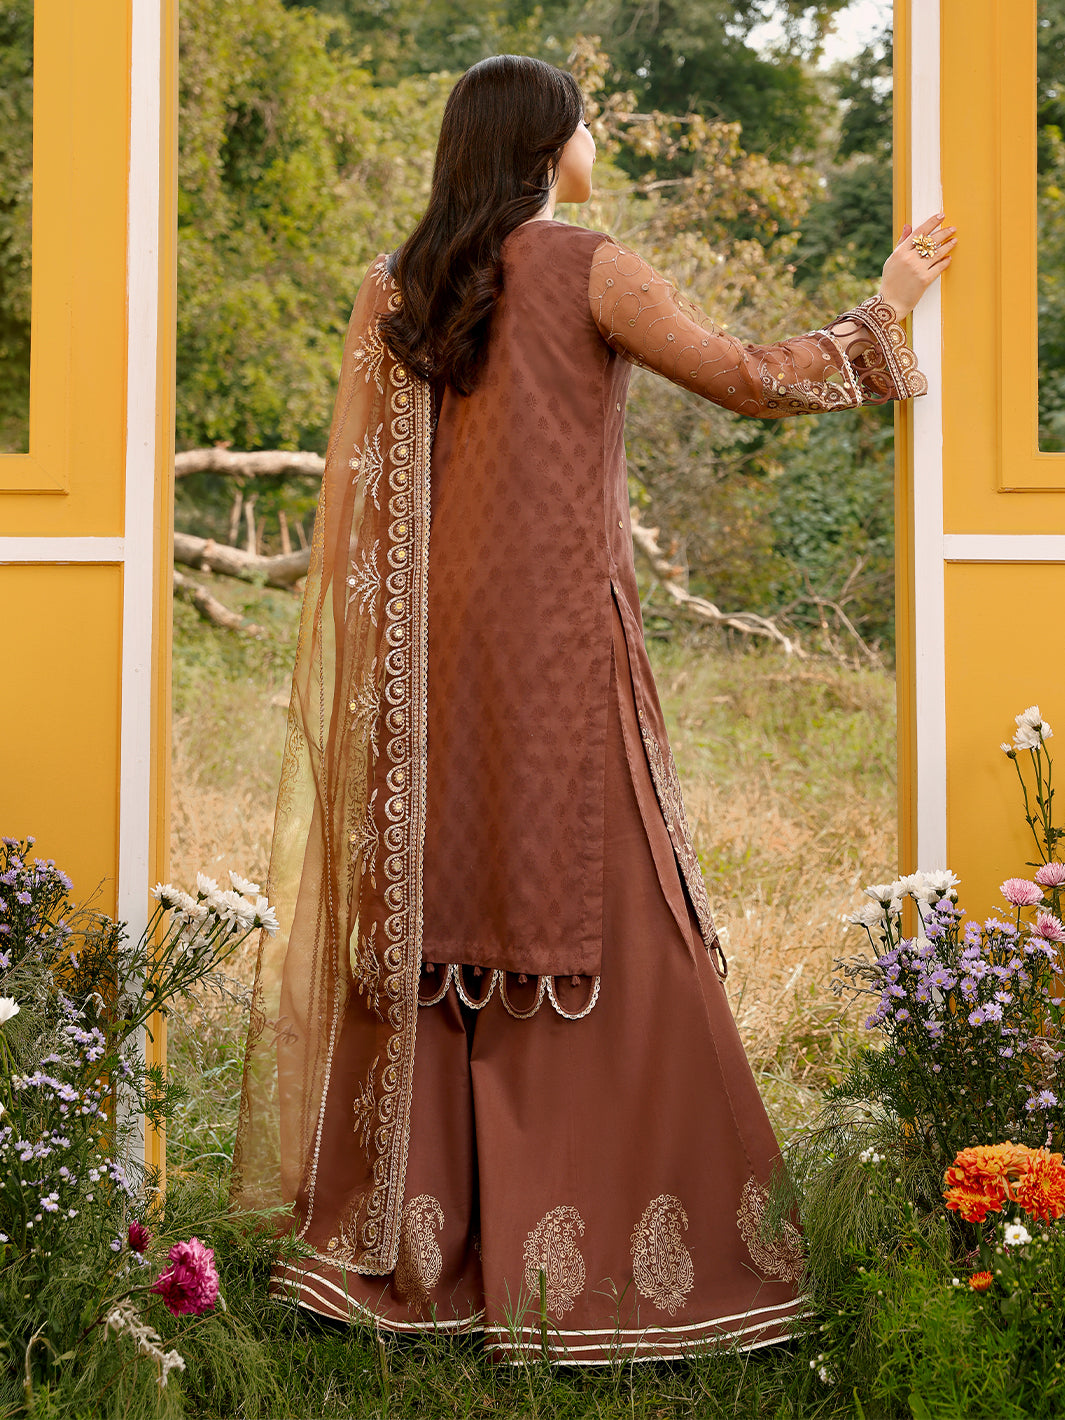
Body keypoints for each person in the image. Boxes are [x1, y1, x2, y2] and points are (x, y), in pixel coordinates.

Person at [233, 54, 953, 1363]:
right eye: (585, 121)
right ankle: (607, 1276)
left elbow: (376, 509)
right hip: (558, 658)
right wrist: (885, 310)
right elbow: (746, 376)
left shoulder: (397, 287)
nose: (595, 136)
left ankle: (419, 1254)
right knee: (621, 918)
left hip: (426, 668)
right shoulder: (586, 267)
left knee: (439, 907)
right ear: (546, 145)